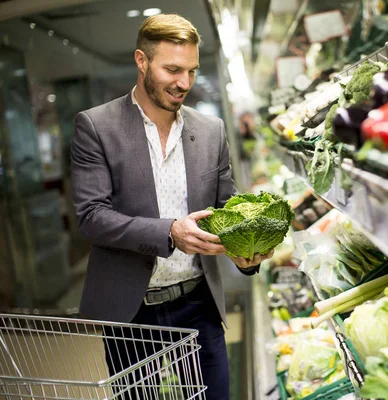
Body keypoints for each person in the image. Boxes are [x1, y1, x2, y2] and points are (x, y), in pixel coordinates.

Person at [71, 13, 271, 400]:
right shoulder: (96, 127)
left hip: (199, 303)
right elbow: (92, 217)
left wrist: (247, 253)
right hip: (132, 313)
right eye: (173, 70)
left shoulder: (211, 130)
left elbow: (228, 208)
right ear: (142, 61)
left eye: (192, 71)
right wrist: (170, 231)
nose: (184, 83)